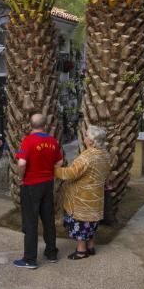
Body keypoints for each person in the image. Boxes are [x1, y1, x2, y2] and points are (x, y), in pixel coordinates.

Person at [13, 113, 64, 269]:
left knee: (30, 221)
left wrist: (21, 177)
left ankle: (30, 259)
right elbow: (60, 161)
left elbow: (22, 163)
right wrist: (50, 173)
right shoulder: (52, 141)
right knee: (48, 219)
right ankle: (51, 253)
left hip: (31, 185)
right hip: (47, 184)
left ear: (31, 124)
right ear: (45, 125)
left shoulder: (28, 141)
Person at [55, 125, 112, 260]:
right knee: (91, 223)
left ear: (91, 141)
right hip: (96, 197)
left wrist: (55, 169)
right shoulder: (105, 154)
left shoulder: (87, 157)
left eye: (86, 136)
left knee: (81, 224)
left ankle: (81, 251)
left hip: (82, 199)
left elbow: (70, 174)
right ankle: (90, 246)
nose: (84, 138)